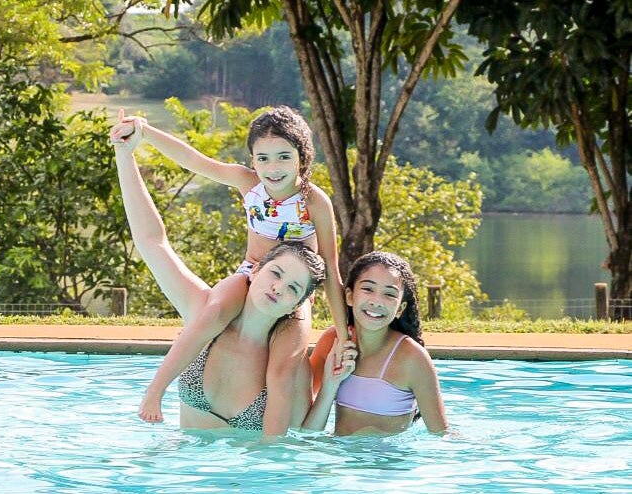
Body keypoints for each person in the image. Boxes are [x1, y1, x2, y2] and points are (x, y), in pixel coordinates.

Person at [110, 106, 349, 423]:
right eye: (263, 158)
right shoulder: (248, 183)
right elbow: (196, 162)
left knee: (285, 366)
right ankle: (155, 389)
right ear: (252, 160)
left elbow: (330, 270)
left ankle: (273, 438)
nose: (272, 168)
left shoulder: (314, 201)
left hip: (297, 289)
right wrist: (144, 132)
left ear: (302, 159)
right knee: (213, 312)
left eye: (283, 157)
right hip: (251, 271)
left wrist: (344, 334)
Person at [303, 251, 448, 436]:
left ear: (400, 309)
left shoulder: (412, 358)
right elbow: (305, 432)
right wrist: (330, 384)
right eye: (368, 289)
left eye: (389, 294)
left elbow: (441, 435)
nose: (376, 301)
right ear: (349, 296)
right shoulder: (333, 341)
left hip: (386, 462)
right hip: (339, 459)